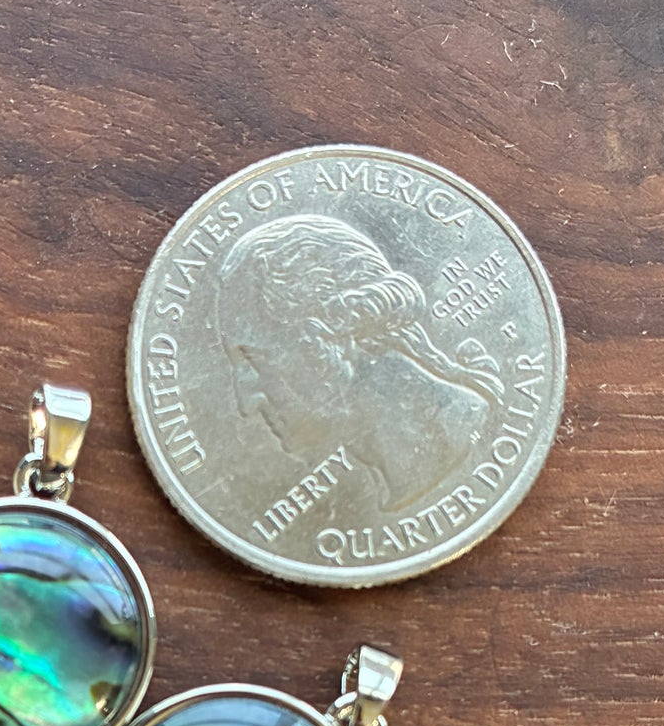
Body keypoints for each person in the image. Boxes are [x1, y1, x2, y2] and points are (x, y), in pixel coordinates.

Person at [216, 214, 504, 513]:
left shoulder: (453, 437)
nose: (246, 403)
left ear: (336, 335)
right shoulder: (417, 465)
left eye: (254, 359)